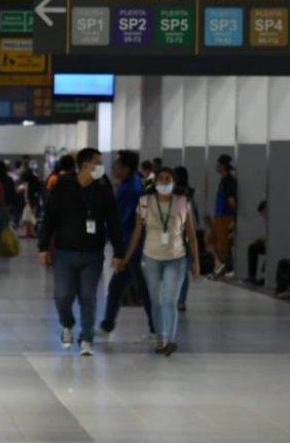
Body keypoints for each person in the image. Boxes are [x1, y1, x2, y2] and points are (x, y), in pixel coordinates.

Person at [38, 148, 122, 356]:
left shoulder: (103, 187)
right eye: (97, 163)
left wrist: (119, 252)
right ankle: (67, 324)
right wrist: (42, 247)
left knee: (88, 296)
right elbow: (49, 217)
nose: (101, 167)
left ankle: (86, 338)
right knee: (62, 296)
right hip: (65, 252)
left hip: (92, 253)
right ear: (85, 165)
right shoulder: (63, 186)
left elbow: (113, 221)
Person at [118, 167, 201, 356]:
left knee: (169, 300)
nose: (165, 182)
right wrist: (126, 258)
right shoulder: (145, 203)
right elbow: (137, 234)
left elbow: (192, 236)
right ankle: (159, 339)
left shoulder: (182, 203)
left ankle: (169, 340)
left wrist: (196, 261)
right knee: (156, 301)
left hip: (176, 258)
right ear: (155, 183)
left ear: (173, 182)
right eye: (161, 179)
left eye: (168, 179)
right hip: (151, 257)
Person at [99, 150, 156, 339]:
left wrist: (122, 253)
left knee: (143, 289)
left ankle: (156, 328)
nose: (114, 169)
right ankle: (107, 325)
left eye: (117, 166)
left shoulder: (132, 190)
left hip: (133, 247)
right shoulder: (128, 185)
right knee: (117, 287)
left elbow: (124, 223)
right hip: (128, 245)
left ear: (126, 168)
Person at [173, 166, 199, 311]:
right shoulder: (190, 194)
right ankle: (181, 301)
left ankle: (175, 299)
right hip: (185, 239)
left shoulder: (174, 196)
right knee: (183, 273)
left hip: (176, 238)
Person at [207, 154, 238, 276]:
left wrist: (233, 218)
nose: (216, 167)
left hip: (225, 217)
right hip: (219, 217)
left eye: (218, 164)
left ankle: (223, 269)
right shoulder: (223, 180)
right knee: (210, 240)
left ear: (223, 166)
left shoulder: (228, 181)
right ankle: (219, 265)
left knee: (223, 245)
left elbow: (231, 201)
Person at [244, 200, 268, 285]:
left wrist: (264, 240)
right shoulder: (268, 222)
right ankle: (252, 276)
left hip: (274, 245)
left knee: (254, 247)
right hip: (268, 244)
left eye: (263, 213)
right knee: (253, 247)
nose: (263, 216)